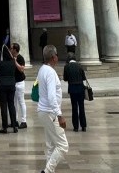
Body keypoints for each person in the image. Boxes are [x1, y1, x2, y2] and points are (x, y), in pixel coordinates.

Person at [37, 45, 68, 173]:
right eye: (57, 55)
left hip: (43, 111)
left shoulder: (42, 69)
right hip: (50, 112)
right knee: (63, 145)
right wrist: (59, 115)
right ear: (54, 57)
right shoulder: (50, 72)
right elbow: (51, 96)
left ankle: (49, 170)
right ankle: (47, 171)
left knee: (51, 145)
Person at [0, 45, 18, 133]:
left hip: (2, 85)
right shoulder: (13, 62)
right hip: (11, 84)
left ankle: (4, 127)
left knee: (3, 106)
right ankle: (14, 126)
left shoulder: (0, 62)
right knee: (11, 105)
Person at [63, 57, 88, 132]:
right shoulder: (80, 65)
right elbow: (84, 78)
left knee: (74, 108)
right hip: (80, 88)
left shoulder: (66, 67)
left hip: (72, 89)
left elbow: (65, 78)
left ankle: (76, 127)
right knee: (81, 107)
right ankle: (83, 126)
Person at [10, 42, 28, 129]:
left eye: (11, 48)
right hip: (13, 82)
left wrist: (15, 62)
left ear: (15, 50)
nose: (10, 50)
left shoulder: (20, 58)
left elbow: (21, 69)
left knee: (21, 101)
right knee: (14, 102)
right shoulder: (11, 58)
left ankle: (24, 121)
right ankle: (15, 120)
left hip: (20, 83)